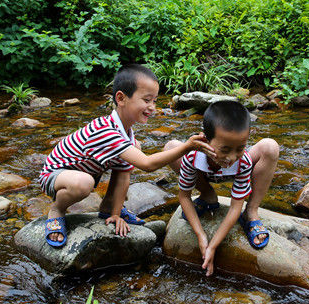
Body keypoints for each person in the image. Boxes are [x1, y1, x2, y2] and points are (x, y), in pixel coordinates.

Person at [39, 64, 215, 248]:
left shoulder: (126, 132)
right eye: (147, 100)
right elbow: (147, 164)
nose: (152, 107)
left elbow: (123, 173)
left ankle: (108, 208)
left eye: (154, 101)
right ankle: (57, 210)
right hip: (56, 175)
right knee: (83, 183)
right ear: (121, 98)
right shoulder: (105, 131)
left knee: (134, 148)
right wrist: (188, 146)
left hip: (85, 172)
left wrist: (115, 214)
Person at [164, 100, 279, 276]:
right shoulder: (192, 156)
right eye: (224, 149)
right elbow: (184, 197)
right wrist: (201, 236)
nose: (231, 157)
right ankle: (208, 194)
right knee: (171, 147)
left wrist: (213, 245)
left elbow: (235, 207)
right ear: (205, 140)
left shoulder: (243, 160)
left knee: (271, 146)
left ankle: (252, 212)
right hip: (204, 172)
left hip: (236, 173)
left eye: (240, 148)